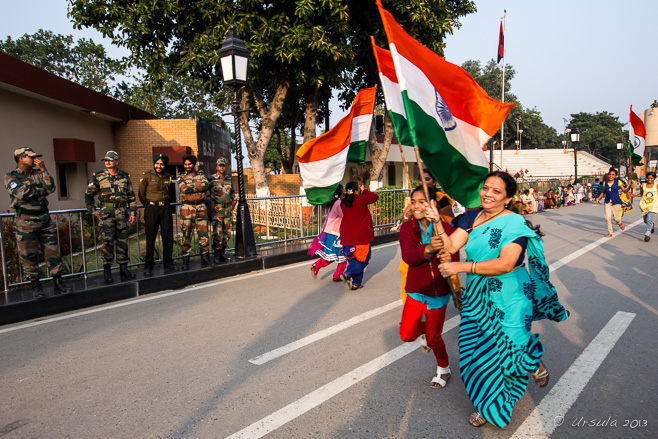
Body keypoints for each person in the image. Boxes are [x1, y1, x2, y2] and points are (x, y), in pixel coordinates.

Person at [434, 171, 569, 428]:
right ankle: (488, 399)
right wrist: (434, 222)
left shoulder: (515, 224)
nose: (488, 194)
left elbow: (506, 263)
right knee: (475, 351)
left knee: (506, 354)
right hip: (477, 295)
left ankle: (508, 388)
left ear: (508, 198)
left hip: (510, 294)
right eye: (486, 188)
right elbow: (451, 247)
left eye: (496, 191)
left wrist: (460, 268)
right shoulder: (471, 216)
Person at [398, 185, 459, 389]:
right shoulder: (407, 228)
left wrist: (447, 255)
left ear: (433, 204)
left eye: (422, 201)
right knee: (406, 334)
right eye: (413, 201)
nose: (416, 206)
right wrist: (428, 248)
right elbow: (408, 256)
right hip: (415, 290)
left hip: (438, 293)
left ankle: (444, 368)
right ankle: (427, 333)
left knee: (434, 338)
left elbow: (455, 258)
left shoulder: (447, 228)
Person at [4, 147, 71, 298]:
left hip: (44, 219)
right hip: (26, 221)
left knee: (53, 252)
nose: (35, 160)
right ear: (21, 158)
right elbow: (23, 194)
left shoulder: (39, 173)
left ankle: (58, 283)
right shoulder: (11, 176)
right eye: (30, 157)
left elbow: (51, 187)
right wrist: (41, 191)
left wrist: (44, 170)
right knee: (28, 255)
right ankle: (36, 286)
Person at [85, 150, 137, 283]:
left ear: (117, 161)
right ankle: (107, 271)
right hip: (107, 212)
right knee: (107, 241)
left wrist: (132, 212)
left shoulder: (124, 176)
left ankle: (124, 268)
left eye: (110, 159)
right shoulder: (98, 176)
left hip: (121, 211)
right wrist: (92, 209)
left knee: (123, 241)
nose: (108, 162)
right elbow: (88, 195)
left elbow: (131, 196)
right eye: (106, 160)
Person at [138, 154, 178, 276]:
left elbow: (169, 193)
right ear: (154, 164)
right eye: (157, 163)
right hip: (151, 208)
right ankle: (148, 265)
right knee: (150, 236)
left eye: (161, 164)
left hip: (165, 208)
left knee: (168, 236)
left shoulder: (169, 177)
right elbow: (141, 194)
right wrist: (149, 204)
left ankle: (168, 262)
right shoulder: (147, 176)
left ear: (164, 165)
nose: (159, 166)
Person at [340, 182, 378, 290]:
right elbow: (375, 196)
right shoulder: (361, 199)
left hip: (347, 236)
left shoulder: (343, 202)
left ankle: (356, 283)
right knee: (363, 259)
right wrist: (364, 190)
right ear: (357, 190)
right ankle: (348, 273)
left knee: (353, 259)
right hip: (360, 236)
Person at [177, 154, 211, 270]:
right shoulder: (180, 176)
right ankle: (186, 261)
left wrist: (191, 186)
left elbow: (206, 185)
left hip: (201, 207)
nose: (187, 166)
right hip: (187, 208)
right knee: (186, 235)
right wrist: (198, 186)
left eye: (189, 164)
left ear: (193, 164)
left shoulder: (201, 174)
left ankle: (205, 258)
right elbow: (184, 189)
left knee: (203, 234)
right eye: (185, 164)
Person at [310, 185, 347, 281]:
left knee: (331, 256)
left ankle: (317, 265)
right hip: (336, 234)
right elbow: (344, 215)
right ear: (341, 191)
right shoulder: (339, 203)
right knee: (342, 256)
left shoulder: (334, 202)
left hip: (330, 233)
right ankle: (337, 275)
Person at [208, 157, 236, 264]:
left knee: (227, 232)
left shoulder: (229, 179)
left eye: (223, 165)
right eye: (220, 165)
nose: (222, 167)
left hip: (228, 209)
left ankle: (223, 252)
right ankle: (216, 254)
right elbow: (207, 195)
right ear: (216, 167)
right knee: (217, 233)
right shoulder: (211, 179)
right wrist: (211, 204)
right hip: (217, 210)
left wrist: (233, 204)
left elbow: (232, 193)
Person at [595, 167, 628, 237]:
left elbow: (624, 191)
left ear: (615, 176)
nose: (611, 176)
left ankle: (620, 223)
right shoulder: (605, 183)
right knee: (607, 217)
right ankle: (610, 232)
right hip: (607, 202)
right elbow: (603, 192)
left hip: (616, 202)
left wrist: (629, 187)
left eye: (613, 175)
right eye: (610, 174)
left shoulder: (618, 182)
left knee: (616, 218)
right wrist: (598, 199)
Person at [639, 172, 657, 242]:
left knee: (649, 219)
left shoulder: (656, 185)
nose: (650, 179)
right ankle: (651, 224)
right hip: (644, 205)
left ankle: (647, 234)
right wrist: (633, 195)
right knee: (646, 220)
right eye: (648, 178)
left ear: (654, 178)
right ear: (646, 178)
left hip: (653, 205)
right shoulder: (643, 186)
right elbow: (641, 194)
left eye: (651, 178)